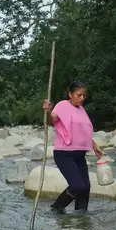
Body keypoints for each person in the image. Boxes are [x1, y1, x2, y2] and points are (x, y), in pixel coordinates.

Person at [42, 81, 103, 214]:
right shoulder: (62, 105)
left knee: (85, 187)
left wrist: (94, 144)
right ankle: (56, 207)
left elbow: (82, 131)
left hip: (79, 154)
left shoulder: (81, 109)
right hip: (64, 154)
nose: (82, 98)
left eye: (84, 96)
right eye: (78, 95)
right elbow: (52, 121)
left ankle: (81, 216)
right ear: (70, 94)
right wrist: (47, 111)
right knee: (77, 186)